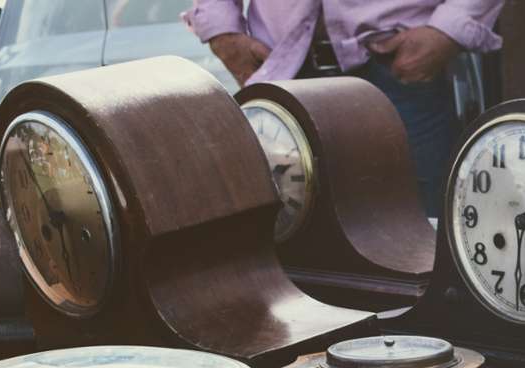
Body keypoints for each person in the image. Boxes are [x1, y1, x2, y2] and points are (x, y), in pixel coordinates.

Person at [185, 1, 505, 217]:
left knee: (425, 238)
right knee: (297, 252)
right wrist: (222, 31)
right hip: (284, 72)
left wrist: (448, 30)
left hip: (400, 71)